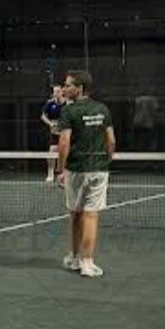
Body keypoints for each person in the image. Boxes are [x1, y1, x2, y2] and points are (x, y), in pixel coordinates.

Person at [57, 71, 114, 279]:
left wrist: (61, 169)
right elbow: (111, 140)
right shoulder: (102, 109)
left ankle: (76, 258)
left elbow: (64, 142)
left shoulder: (68, 111)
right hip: (98, 168)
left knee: (76, 213)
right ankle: (86, 262)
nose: (64, 89)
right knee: (90, 214)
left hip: (76, 169)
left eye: (68, 85)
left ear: (80, 88)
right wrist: (106, 161)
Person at [41, 85, 68, 184]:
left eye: (57, 91)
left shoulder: (68, 103)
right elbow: (43, 116)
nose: (55, 93)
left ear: (62, 92)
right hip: (54, 132)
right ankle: (50, 174)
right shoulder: (50, 103)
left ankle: (64, 173)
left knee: (66, 152)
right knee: (52, 151)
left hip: (65, 132)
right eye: (54, 92)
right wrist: (50, 123)